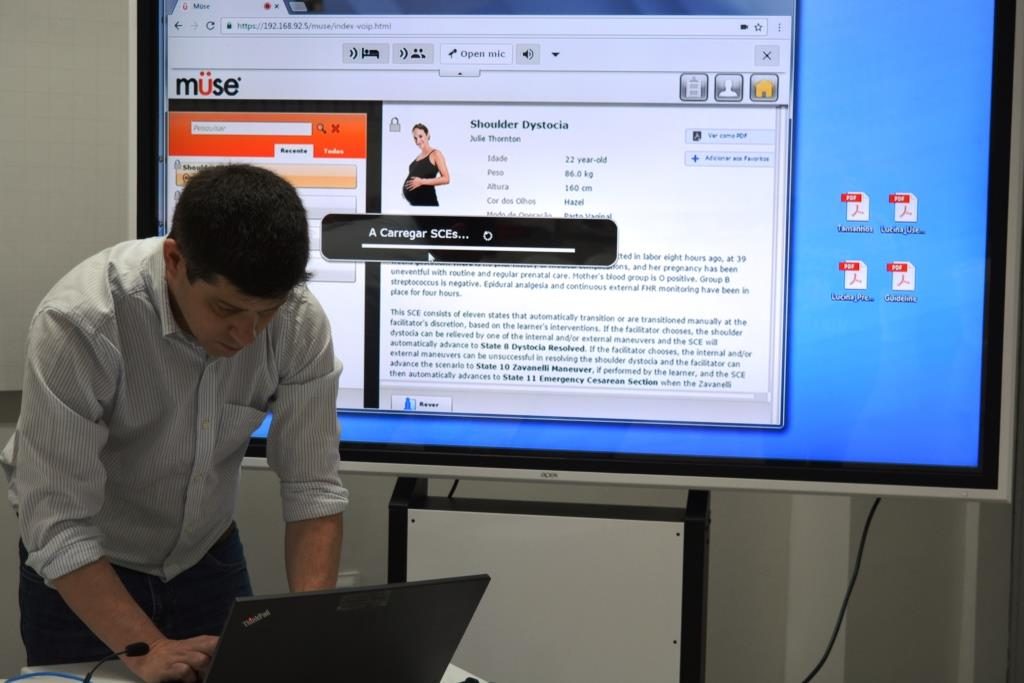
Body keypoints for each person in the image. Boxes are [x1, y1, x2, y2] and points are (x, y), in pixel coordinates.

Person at [1, 164, 348, 683]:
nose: (247, 336)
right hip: (86, 570)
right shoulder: (81, 323)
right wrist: (146, 649)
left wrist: (309, 631)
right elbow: (56, 521)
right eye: (226, 309)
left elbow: (313, 489)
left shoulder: (299, 322)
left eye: (266, 313)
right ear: (174, 261)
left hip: (207, 561)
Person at [403, 123, 450, 206]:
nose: (418, 141)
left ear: (427, 135)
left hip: (428, 204)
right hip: (414, 205)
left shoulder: (435, 154)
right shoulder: (417, 157)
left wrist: (422, 181)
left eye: (420, 136)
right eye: (415, 138)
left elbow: (446, 179)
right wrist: (405, 192)